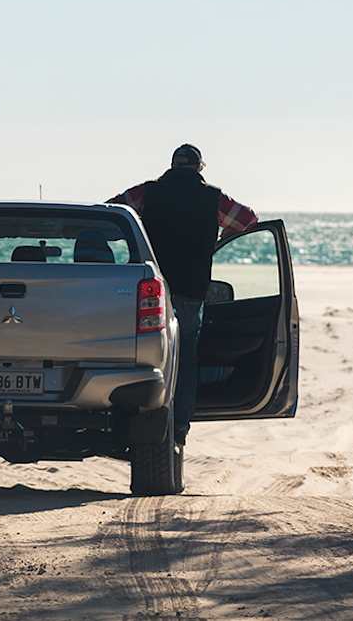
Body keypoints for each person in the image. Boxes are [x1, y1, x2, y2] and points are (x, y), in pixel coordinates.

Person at [109, 144, 258, 445]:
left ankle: (138, 418)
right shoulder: (213, 198)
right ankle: (177, 429)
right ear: (200, 168)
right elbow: (249, 221)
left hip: (149, 288)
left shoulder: (147, 193)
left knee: (146, 356)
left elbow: (112, 214)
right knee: (185, 358)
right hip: (191, 289)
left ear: (172, 166)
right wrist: (219, 237)